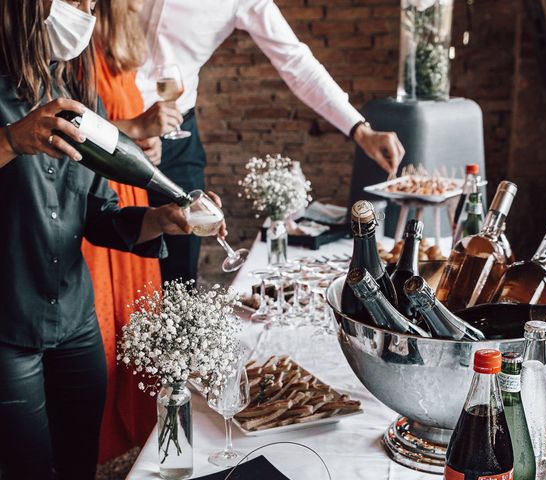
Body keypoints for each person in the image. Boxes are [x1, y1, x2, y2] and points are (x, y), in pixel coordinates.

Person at [0, 1, 218, 478]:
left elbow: (101, 216)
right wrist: (11, 141)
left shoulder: (80, 98)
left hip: (76, 328)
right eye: (76, 1)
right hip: (9, 332)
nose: (86, 11)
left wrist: (160, 219)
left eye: (92, 4)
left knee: (80, 465)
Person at [136, 0, 407, 283]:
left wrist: (360, 129)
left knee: (179, 269)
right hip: (112, 121)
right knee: (106, 240)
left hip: (176, 133)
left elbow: (295, 61)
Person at [86, 0, 185, 463]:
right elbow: (77, 133)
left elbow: (121, 137)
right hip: (94, 203)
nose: (136, 3)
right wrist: (134, 128)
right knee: (107, 321)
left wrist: (145, 148)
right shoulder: (76, 50)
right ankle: (102, 444)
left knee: (137, 316)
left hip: (129, 197)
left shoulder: (122, 49)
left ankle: (140, 436)